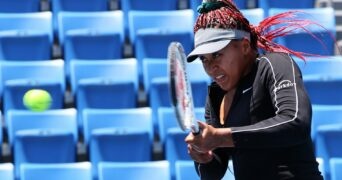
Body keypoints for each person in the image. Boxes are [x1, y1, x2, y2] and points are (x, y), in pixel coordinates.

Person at [184, 0, 325, 179]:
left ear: (244, 46)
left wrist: (222, 136)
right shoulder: (216, 94)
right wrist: (203, 159)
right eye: (204, 59)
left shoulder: (275, 64)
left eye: (217, 54)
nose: (211, 67)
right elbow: (214, 171)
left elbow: (296, 122)